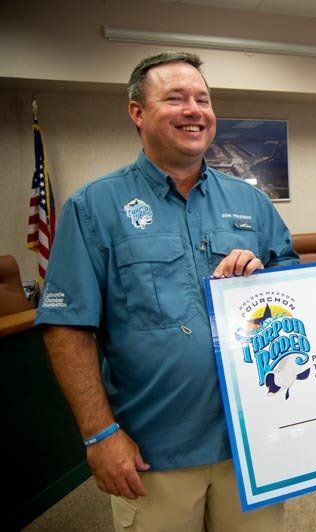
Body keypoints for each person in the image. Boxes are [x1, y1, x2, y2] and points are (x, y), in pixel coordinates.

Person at [35, 52, 298, 531]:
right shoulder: (94, 207)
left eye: (203, 98)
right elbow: (65, 329)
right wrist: (99, 435)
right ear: (138, 113)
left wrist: (264, 282)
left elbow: (295, 295)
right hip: (155, 454)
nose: (194, 109)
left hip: (251, 443)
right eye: (175, 98)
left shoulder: (250, 203)